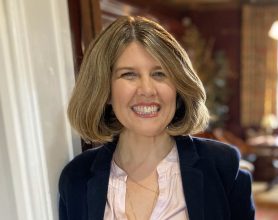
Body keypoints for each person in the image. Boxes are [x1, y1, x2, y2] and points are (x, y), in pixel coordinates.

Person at [59, 16, 255, 220]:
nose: (147, 90)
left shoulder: (222, 166)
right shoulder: (76, 178)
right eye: (129, 75)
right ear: (105, 90)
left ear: (178, 86)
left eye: (160, 74)